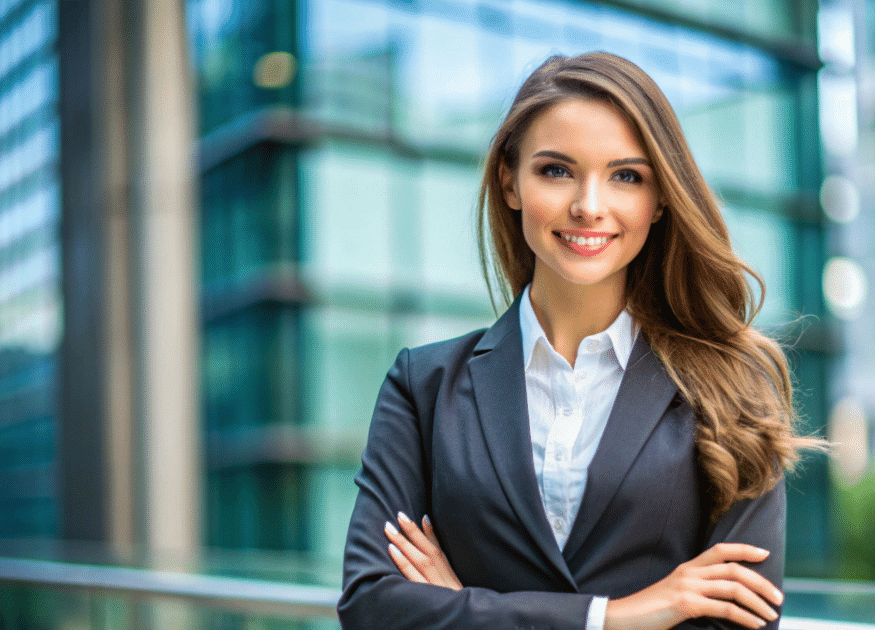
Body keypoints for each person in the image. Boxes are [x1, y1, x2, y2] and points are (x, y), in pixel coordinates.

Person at [337, 52, 823, 630]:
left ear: (660, 198)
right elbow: (371, 607)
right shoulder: (423, 386)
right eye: (556, 170)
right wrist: (616, 617)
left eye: (626, 176)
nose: (589, 206)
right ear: (510, 181)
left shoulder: (731, 388)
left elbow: (740, 621)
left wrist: (463, 608)